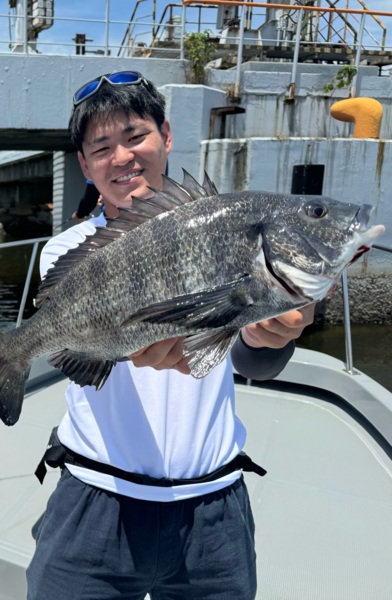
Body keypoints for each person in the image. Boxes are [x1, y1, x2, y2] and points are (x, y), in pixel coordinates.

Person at [26, 72, 316, 599]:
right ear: (85, 165)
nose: (122, 158)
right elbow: (75, 355)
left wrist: (276, 335)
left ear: (166, 135)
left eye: (136, 137)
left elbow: (253, 360)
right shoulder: (64, 253)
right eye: (102, 147)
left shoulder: (223, 231)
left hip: (213, 510)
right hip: (94, 498)